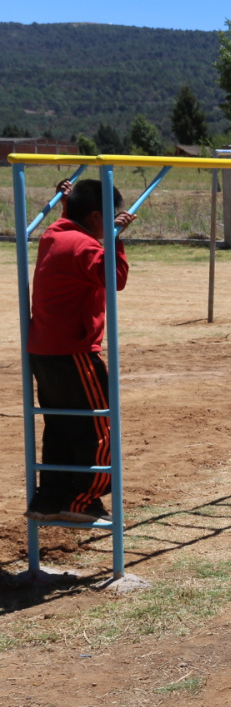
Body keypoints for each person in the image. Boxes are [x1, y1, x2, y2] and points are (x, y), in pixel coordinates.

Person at [24, 179, 135, 523]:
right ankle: (83, 500)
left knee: (60, 425)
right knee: (98, 428)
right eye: (110, 216)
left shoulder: (54, 235)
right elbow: (115, 278)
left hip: (44, 350)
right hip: (74, 350)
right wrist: (115, 239)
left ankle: (49, 499)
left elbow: (71, 226)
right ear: (96, 216)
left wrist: (66, 202)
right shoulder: (83, 246)